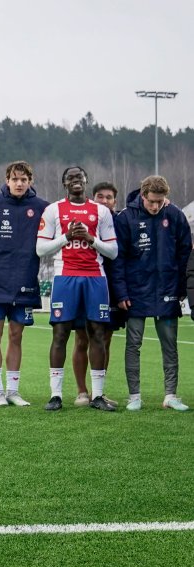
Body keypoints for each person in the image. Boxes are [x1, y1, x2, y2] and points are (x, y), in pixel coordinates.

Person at [35, 166, 118, 412]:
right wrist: (67, 237)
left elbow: (113, 251)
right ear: (64, 183)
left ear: (86, 180)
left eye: (79, 177)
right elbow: (40, 249)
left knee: (98, 334)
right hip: (65, 277)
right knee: (60, 334)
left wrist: (91, 240)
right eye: (70, 177)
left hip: (95, 277)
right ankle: (56, 395)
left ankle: (98, 396)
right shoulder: (53, 210)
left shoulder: (101, 211)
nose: (75, 180)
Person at [111, 175, 192, 411]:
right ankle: (134, 396)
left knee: (170, 345)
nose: (156, 206)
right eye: (152, 201)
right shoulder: (126, 217)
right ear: (143, 195)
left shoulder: (175, 215)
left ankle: (171, 395)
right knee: (133, 344)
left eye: (160, 201)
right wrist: (121, 292)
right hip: (136, 292)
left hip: (167, 291)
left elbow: (185, 253)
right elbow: (118, 259)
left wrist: (180, 288)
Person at [0, 161, 48, 407]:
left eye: (24, 179)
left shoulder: (42, 207)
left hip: (25, 280)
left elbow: (65, 214)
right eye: (15, 179)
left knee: (16, 336)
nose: (19, 183)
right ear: (7, 180)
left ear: (30, 181)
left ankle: (13, 391)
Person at [68, 181, 123, 406]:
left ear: (115, 201)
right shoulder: (83, 219)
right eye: (100, 196)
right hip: (85, 282)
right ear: (93, 199)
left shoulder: (119, 222)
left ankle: (99, 392)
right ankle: (82, 391)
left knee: (104, 339)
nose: (105, 201)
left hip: (109, 286)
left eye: (109, 197)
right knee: (81, 337)